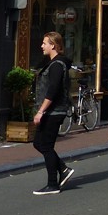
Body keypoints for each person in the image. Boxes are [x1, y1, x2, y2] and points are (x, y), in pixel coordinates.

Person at [32, 32, 73, 195]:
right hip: (53, 110)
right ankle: (63, 169)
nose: (42, 46)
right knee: (38, 143)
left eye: (44, 43)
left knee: (46, 146)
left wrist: (41, 111)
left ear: (53, 46)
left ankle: (52, 184)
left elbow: (53, 89)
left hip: (54, 111)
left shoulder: (56, 65)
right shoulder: (53, 63)